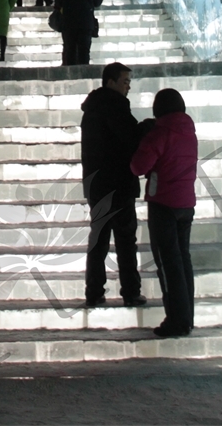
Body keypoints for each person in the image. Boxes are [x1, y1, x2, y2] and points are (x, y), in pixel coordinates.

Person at [131, 87, 198, 338]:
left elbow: (138, 166)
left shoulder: (159, 134)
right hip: (186, 204)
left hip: (163, 205)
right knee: (183, 260)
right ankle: (187, 317)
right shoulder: (188, 131)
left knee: (168, 264)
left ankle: (176, 320)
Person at [80, 62, 146, 309]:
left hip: (97, 185)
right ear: (111, 81)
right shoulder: (115, 106)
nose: (128, 86)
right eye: (125, 81)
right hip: (118, 184)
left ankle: (94, 292)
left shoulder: (92, 109)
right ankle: (130, 292)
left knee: (98, 240)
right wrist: (147, 127)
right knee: (126, 241)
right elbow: (130, 138)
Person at [51, 0, 102, 67]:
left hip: (69, 25)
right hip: (86, 24)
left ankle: (71, 72)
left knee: (70, 49)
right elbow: (98, 1)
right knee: (84, 50)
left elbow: (58, 3)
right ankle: (84, 73)